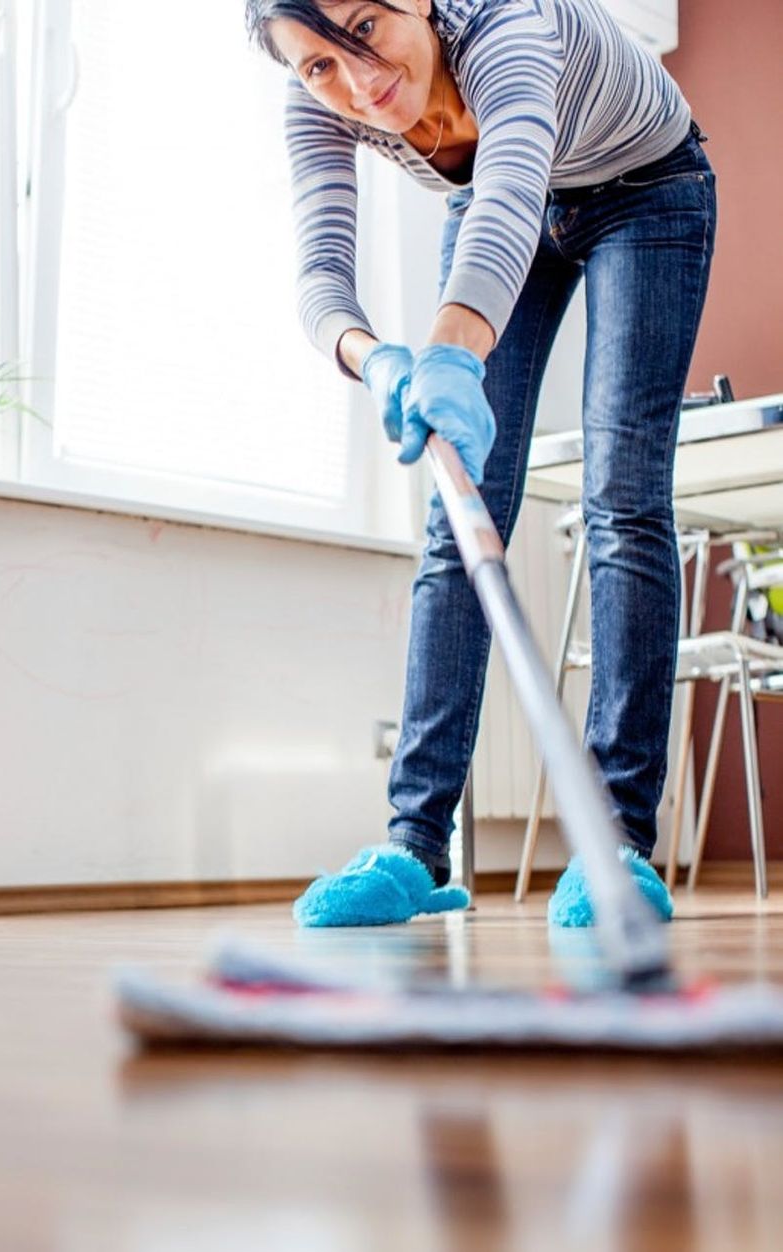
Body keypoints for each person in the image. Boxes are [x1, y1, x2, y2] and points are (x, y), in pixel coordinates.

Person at [245, 0, 716, 928]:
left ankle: (615, 842)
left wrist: (453, 354)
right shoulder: (317, 95)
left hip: (647, 186)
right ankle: (414, 844)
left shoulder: (506, 27)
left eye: (365, 29)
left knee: (622, 497)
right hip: (505, 207)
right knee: (458, 514)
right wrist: (375, 357)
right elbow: (321, 278)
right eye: (318, 65)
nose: (357, 81)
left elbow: (505, 200)